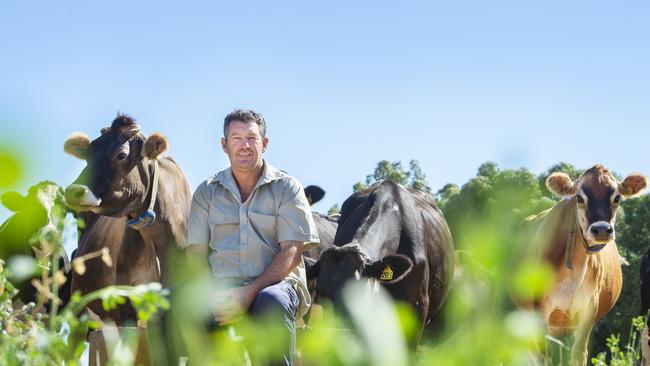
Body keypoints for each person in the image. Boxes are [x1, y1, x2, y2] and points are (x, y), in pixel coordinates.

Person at [186, 109, 319, 365]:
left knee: (270, 302)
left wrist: (249, 292)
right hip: (220, 287)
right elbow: (196, 254)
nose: (244, 145)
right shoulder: (206, 193)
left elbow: (292, 251)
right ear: (224, 145)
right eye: (236, 138)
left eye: (252, 138)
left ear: (264, 144)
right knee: (171, 308)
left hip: (276, 286)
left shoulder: (287, 187)